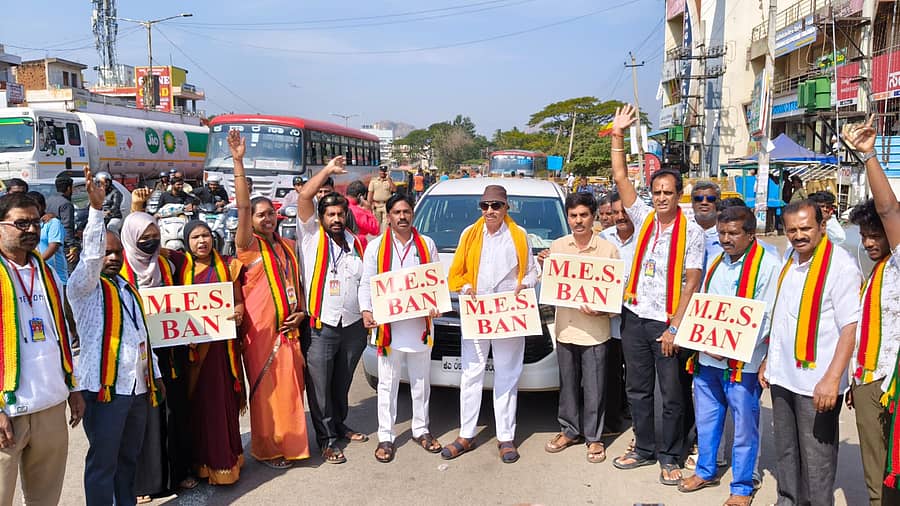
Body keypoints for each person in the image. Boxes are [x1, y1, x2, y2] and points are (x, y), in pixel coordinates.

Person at [608, 104, 705, 487]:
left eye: (668, 192)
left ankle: (670, 455)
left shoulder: (692, 231)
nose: (662, 197)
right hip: (635, 316)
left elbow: (692, 280)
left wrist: (675, 326)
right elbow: (618, 175)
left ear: (679, 194)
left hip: (667, 323)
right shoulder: (644, 216)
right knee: (637, 388)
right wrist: (618, 134)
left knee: (671, 394)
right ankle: (644, 448)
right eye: (657, 191)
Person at [68, 168, 162, 505]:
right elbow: (91, 258)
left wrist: (157, 375)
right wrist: (96, 212)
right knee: (103, 464)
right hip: (104, 391)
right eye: (106, 253)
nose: (111, 257)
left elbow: (141, 336)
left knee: (128, 463)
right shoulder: (83, 289)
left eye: (117, 253)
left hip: (136, 388)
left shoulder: (127, 288)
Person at [759, 200, 862, 506]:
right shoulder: (790, 256)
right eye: (792, 230)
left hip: (816, 382)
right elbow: (783, 316)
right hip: (783, 376)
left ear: (821, 226)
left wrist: (832, 379)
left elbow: (850, 327)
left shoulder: (840, 266)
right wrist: (769, 360)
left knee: (818, 459)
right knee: (787, 451)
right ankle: (788, 501)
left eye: (805, 228)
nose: (798, 235)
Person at [676, 206, 780, 506]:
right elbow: (703, 304)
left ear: (751, 234)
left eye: (733, 233)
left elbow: (767, 318)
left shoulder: (768, 266)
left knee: (745, 427)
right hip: (708, 359)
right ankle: (706, 470)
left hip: (742, 364)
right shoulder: (716, 263)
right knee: (707, 421)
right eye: (721, 233)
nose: (725, 239)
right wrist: (701, 337)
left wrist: (727, 344)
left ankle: (743, 486)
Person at [227, 130, 309, 469]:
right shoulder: (247, 246)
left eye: (270, 213)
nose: (267, 218)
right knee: (267, 392)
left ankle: (293, 445)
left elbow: (297, 284)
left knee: (291, 391)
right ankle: (267, 447)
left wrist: (301, 312)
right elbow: (243, 206)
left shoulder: (286, 247)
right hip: (260, 333)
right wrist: (238, 162)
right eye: (261, 215)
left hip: (290, 330)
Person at [442, 184, 540, 464]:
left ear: (506, 207)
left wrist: (524, 285)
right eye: (485, 206)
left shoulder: (519, 236)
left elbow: (532, 271)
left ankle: (506, 437)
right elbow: (456, 273)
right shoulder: (469, 235)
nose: (490, 211)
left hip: (509, 314)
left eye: (495, 206)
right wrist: (466, 288)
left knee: (507, 375)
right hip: (477, 313)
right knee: (471, 374)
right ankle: (466, 434)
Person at [0, 191, 83, 506]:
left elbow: (58, 334)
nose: (32, 230)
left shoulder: (46, 272)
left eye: (36, 222)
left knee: (45, 500)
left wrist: (72, 386)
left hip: (50, 405)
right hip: (8, 411)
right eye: (21, 224)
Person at [118, 196, 192, 498]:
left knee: (172, 413)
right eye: (143, 238)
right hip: (134, 357)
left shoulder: (165, 262)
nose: (149, 242)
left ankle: (178, 475)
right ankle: (144, 485)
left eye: (154, 237)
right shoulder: (120, 267)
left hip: (168, 351)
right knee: (142, 420)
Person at [296, 151, 368, 465]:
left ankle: (340, 425)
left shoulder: (357, 243)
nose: (336, 219)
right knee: (321, 388)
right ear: (321, 218)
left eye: (340, 214)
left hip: (352, 326)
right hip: (321, 325)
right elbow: (306, 197)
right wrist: (328, 170)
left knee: (342, 383)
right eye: (330, 215)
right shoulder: (311, 237)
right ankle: (326, 440)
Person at [359, 193, 442, 463]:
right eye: (397, 212)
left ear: (412, 214)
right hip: (388, 327)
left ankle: (421, 429)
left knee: (421, 382)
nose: (402, 217)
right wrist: (366, 310)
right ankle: (386, 436)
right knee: (387, 384)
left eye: (406, 211)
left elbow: (435, 282)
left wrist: (436, 303)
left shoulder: (426, 245)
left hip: (419, 326)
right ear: (389, 216)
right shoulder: (376, 248)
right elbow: (366, 283)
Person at [537, 191, 619, 464]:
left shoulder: (608, 250)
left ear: (593, 216)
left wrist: (602, 309)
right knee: (568, 385)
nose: (578, 221)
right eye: (573, 216)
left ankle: (594, 438)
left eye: (584, 215)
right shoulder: (558, 247)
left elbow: (616, 294)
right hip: (566, 329)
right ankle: (569, 430)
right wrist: (544, 265)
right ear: (568, 218)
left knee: (595, 387)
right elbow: (548, 286)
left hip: (595, 331)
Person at [845, 118, 900, 504]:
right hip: (869, 381)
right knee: (875, 473)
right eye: (864, 236)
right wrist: (854, 379)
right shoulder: (874, 274)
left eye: (876, 234)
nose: (869, 243)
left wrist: (869, 157)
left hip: (894, 386)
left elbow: (889, 207)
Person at [180, 220, 246, 484]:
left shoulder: (228, 266)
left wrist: (238, 314)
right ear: (187, 241)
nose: (201, 241)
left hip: (221, 350)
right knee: (199, 408)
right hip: (193, 352)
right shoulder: (179, 266)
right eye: (195, 237)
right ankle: (202, 464)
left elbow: (238, 300)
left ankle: (226, 462)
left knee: (221, 404)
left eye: (205, 235)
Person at [598, 192, 635, 437]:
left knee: (635, 375)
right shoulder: (604, 238)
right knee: (610, 373)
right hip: (608, 318)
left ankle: (637, 419)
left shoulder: (646, 238)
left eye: (624, 212)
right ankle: (611, 423)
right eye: (614, 212)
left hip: (635, 317)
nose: (619, 217)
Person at [28, 192, 68, 287]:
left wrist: (36, 262)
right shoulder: (30, 225)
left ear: (43, 206)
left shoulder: (53, 223)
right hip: (37, 277)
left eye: (36, 206)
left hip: (56, 278)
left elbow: (53, 247)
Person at [44, 174, 78, 272]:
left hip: (49, 242)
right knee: (68, 271)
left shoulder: (49, 200)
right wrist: (72, 246)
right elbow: (67, 226)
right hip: (63, 244)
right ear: (68, 188)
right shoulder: (66, 204)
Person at [691, 181, 723, 271]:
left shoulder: (727, 234)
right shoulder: (682, 231)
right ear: (692, 203)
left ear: (717, 203)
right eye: (698, 199)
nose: (704, 202)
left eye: (710, 199)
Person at [346, 180, 379, 249]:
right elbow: (375, 229)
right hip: (357, 246)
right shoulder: (358, 212)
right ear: (360, 196)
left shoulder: (341, 204)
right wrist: (368, 210)